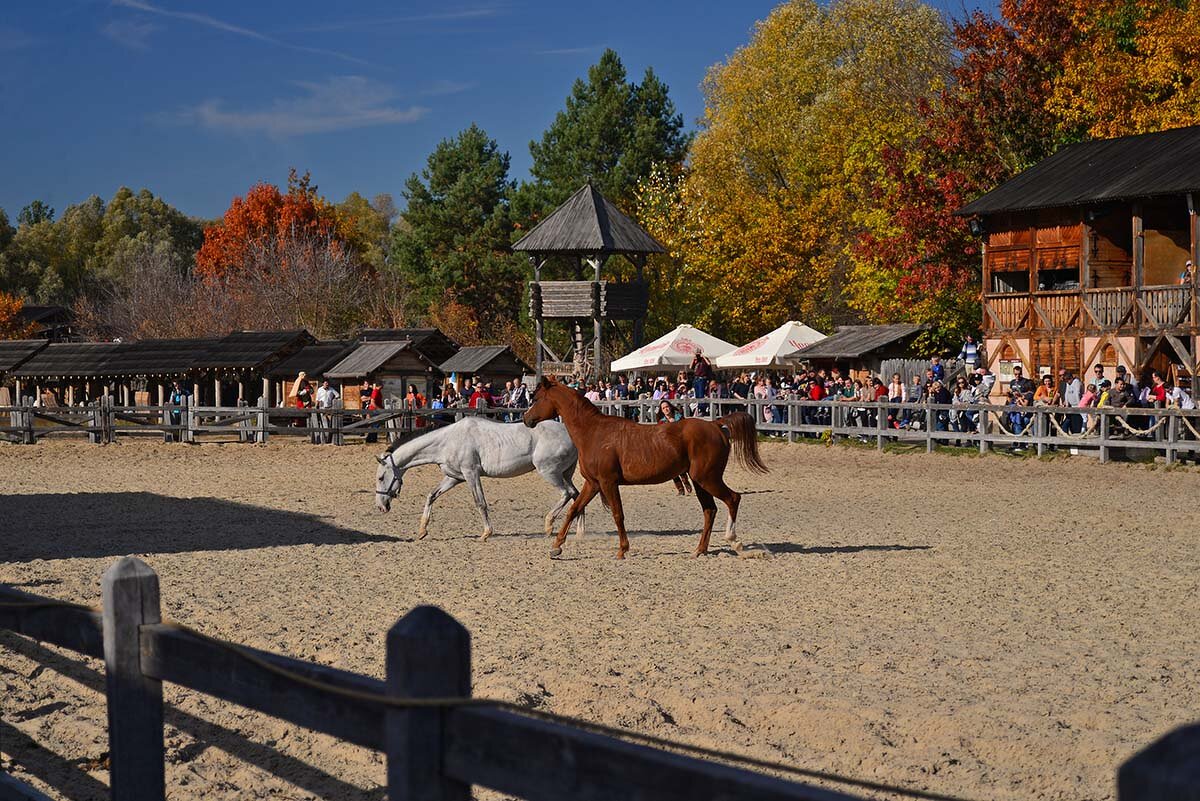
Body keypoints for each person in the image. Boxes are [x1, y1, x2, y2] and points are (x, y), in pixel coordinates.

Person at [316, 378, 340, 444]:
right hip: (322, 407)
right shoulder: (319, 390)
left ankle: (329, 437)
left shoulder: (331, 389)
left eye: (327, 383)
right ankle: (324, 438)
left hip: (329, 407)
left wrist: (333, 400)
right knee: (323, 423)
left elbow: (337, 395)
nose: (327, 384)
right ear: (323, 383)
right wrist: (316, 407)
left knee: (330, 423)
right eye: (325, 383)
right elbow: (317, 399)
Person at [691, 348, 712, 415]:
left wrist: (703, 356)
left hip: (702, 378)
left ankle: (702, 409)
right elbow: (690, 367)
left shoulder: (704, 359)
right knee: (697, 395)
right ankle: (699, 408)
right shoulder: (696, 360)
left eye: (698, 353)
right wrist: (694, 359)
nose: (698, 354)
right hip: (696, 378)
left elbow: (709, 364)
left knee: (701, 394)